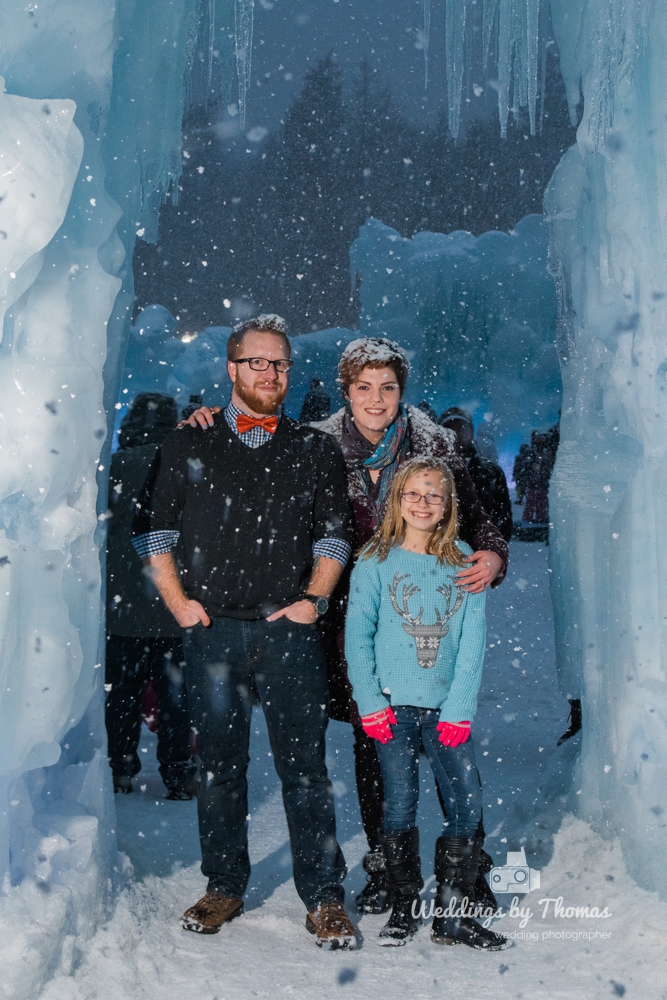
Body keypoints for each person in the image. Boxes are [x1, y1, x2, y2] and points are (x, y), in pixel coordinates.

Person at [185, 337, 508, 916]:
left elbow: (478, 516)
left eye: (388, 387)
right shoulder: (321, 442)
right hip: (352, 621)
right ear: (346, 391)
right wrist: (206, 420)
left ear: (402, 390)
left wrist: (493, 555)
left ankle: (468, 867)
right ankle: (389, 864)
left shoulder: (434, 442)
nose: (377, 399)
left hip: (431, 611)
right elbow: (260, 443)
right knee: (374, 740)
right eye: (364, 387)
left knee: (449, 744)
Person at [132, 315, 358, 949]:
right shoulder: (187, 443)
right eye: (256, 362)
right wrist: (178, 603)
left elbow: (334, 534)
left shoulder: (313, 450)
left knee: (306, 770)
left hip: (289, 630)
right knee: (220, 769)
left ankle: (323, 897)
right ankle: (224, 884)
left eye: (279, 364)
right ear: (231, 370)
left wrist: (315, 598)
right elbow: (154, 531)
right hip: (213, 634)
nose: (269, 374)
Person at [345, 458, 509, 950]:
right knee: (398, 805)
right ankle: (402, 906)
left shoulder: (463, 561)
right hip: (392, 710)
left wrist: (460, 706)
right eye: (413, 494)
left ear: (447, 505)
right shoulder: (375, 559)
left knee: (466, 804)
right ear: (397, 500)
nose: (423, 503)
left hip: (444, 711)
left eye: (434, 495)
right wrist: (370, 700)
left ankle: (452, 915)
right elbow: (358, 637)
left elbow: (472, 640)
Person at [105, 393, 196, 799]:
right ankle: (177, 772)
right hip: (174, 604)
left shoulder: (113, 468)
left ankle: (119, 768)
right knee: (176, 697)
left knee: (122, 695)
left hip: (123, 606)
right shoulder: (188, 466)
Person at [439, 407, 513, 542]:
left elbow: (503, 521)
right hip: (435, 555)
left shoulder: (493, 473)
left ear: (471, 433)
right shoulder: (426, 473)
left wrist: (492, 552)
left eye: (462, 428)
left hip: (480, 555)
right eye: (449, 429)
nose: (456, 434)